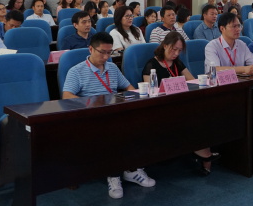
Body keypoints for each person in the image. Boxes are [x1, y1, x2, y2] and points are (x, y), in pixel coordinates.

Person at [62, 32, 155, 199]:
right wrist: (92, 104)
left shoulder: (112, 68)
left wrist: (135, 96)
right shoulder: (76, 71)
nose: (106, 57)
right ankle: (114, 176)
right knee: (113, 132)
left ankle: (133, 170)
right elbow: (67, 96)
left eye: (109, 53)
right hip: (91, 115)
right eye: (102, 52)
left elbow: (128, 87)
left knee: (143, 123)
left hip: (114, 111)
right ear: (90, 49)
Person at [141, 32, 220, 175]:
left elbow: (192, 81)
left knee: (204, 113)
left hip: (181, 103)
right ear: (165, 46)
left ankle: (203, 155)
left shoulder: (177, 63)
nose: (176, 53)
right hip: (162, 107)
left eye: (179, 50)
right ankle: (203, 155)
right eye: (174, 49)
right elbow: (150, 92)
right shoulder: (151, 65)